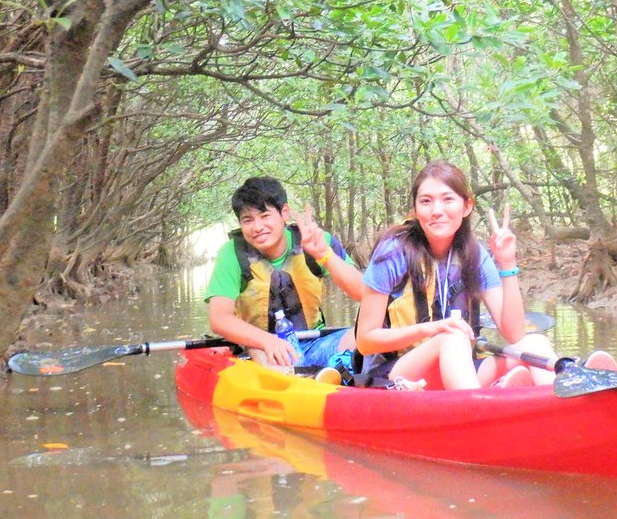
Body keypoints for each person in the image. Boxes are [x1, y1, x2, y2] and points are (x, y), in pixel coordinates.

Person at [355, 159, 560, 390]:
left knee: (534, 343)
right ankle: (481, 404)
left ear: (467, 206)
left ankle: (562, 404)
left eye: (448, 199)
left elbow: (514, 334)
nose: (437, 211)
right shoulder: (393, 253)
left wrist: (507, 263)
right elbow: (365, 341)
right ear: (416, 210)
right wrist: (431, 329)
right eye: (426, 201)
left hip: (457, 371)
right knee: (453, 336)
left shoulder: (475, 255)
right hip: (397, 374)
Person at [204, 176, 365, 369]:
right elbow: (219, 319)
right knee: (269, 357)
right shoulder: (231, 253)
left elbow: (366, 293)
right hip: (260, 347)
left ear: (284, 213)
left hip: (314, 341)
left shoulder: (317, 240)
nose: (257, 227)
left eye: (265, 216)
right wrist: (267, 341)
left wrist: (324, 255)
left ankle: (336, 372)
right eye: (248, 220)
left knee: (369, 335)